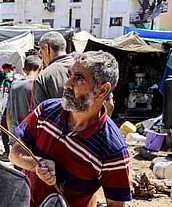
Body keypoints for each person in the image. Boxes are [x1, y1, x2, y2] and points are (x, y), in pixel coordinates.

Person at [10, 51, 132, 207]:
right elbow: (15, 153)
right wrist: (37, 164)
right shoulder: (46, 111)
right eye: (70, 75)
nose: (67, 84)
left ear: (102, 90)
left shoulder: (113, 149)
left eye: (78, 78)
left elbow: (116, 204)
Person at [31, 31, 75, 110]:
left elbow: (39, 115)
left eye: (41, 52)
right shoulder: (84, 67)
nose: (42, 57)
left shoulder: (43, 77)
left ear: (47, 48)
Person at [6, 55, 42, 135]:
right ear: (40, 68)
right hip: (32, 136)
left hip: (15, 135)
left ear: (24, 70)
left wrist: (11, 135)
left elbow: (9, 116)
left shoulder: (14, 85)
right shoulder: (39, 84)